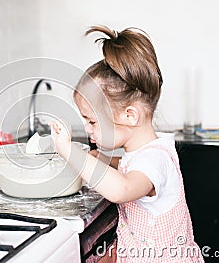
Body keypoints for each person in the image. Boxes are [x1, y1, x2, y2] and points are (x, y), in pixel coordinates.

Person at [49, 25, 204, 263]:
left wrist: (69, 151)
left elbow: (121, 189)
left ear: (130, 116)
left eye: (92, 121)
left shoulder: (155, 160)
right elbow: (129, 166)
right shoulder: (146, 152)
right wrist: (104, 160)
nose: (88, 130)